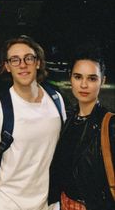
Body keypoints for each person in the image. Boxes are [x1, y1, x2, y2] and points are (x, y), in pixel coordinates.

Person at [0, 36, 66, 210]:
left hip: (49, 205)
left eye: (28, 58)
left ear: (37, 63)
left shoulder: (56, 100)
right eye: (15, 60)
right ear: (7, 66)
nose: (23, 65)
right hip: (8, 204)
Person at [48, 43, 115, 210]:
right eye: (78, 77)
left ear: (103, 81)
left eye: (92, 78)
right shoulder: (67, 119)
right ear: (70, 78)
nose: (84, 85)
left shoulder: (110, 125)